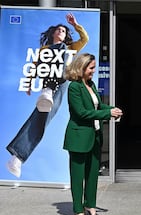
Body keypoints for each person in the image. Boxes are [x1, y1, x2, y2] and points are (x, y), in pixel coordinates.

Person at [6, 13, 89, 178]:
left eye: (63, 31)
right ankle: (18, 157)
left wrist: (75, 24)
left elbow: (85, 39)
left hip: (61, 83)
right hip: (48, 82)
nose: (61, 32)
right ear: (52, 33)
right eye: (58, 30)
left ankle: (17, 157)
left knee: (43, 118)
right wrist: (29, 82)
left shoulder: (69, 47)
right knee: (40, 117)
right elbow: (35, 66)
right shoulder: (44, 50)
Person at [63, 53, 123, 215]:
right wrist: (107, 113)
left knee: (92, 175)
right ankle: (78, 210)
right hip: (79, 138)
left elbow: (97, 106)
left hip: (95, 136)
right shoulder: (74, 87)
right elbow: (81, 113)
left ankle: (90, 206)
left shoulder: (91, 84)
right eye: (91, 68)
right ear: (81, 68)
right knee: (77, 176)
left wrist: (112, 109)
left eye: (94, 67)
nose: (93, 71)